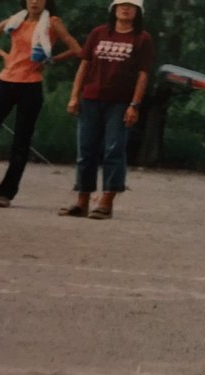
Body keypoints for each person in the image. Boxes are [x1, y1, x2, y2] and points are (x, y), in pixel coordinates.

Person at [0, 0, 81, 208]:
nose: (34, 1)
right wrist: (3, 55)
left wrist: (50, 61)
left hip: (31, 85)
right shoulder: (15, 20)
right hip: (6, 81)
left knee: (21, 141)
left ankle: (6, 193)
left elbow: (77, 50)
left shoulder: (52, 22)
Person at [58, 0, 153, 220]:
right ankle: (82, 201)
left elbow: (143, 74)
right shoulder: (98, 33)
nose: (126, 9)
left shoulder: (142, 39)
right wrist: (74, 96)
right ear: (114, 9)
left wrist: (134, 105)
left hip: (120, 103)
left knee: (113, 150)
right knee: (86, 151)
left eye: (131, 6)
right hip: (91, 99)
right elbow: (84, 65)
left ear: (138, 11)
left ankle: (106, 203)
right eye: (122, 5)